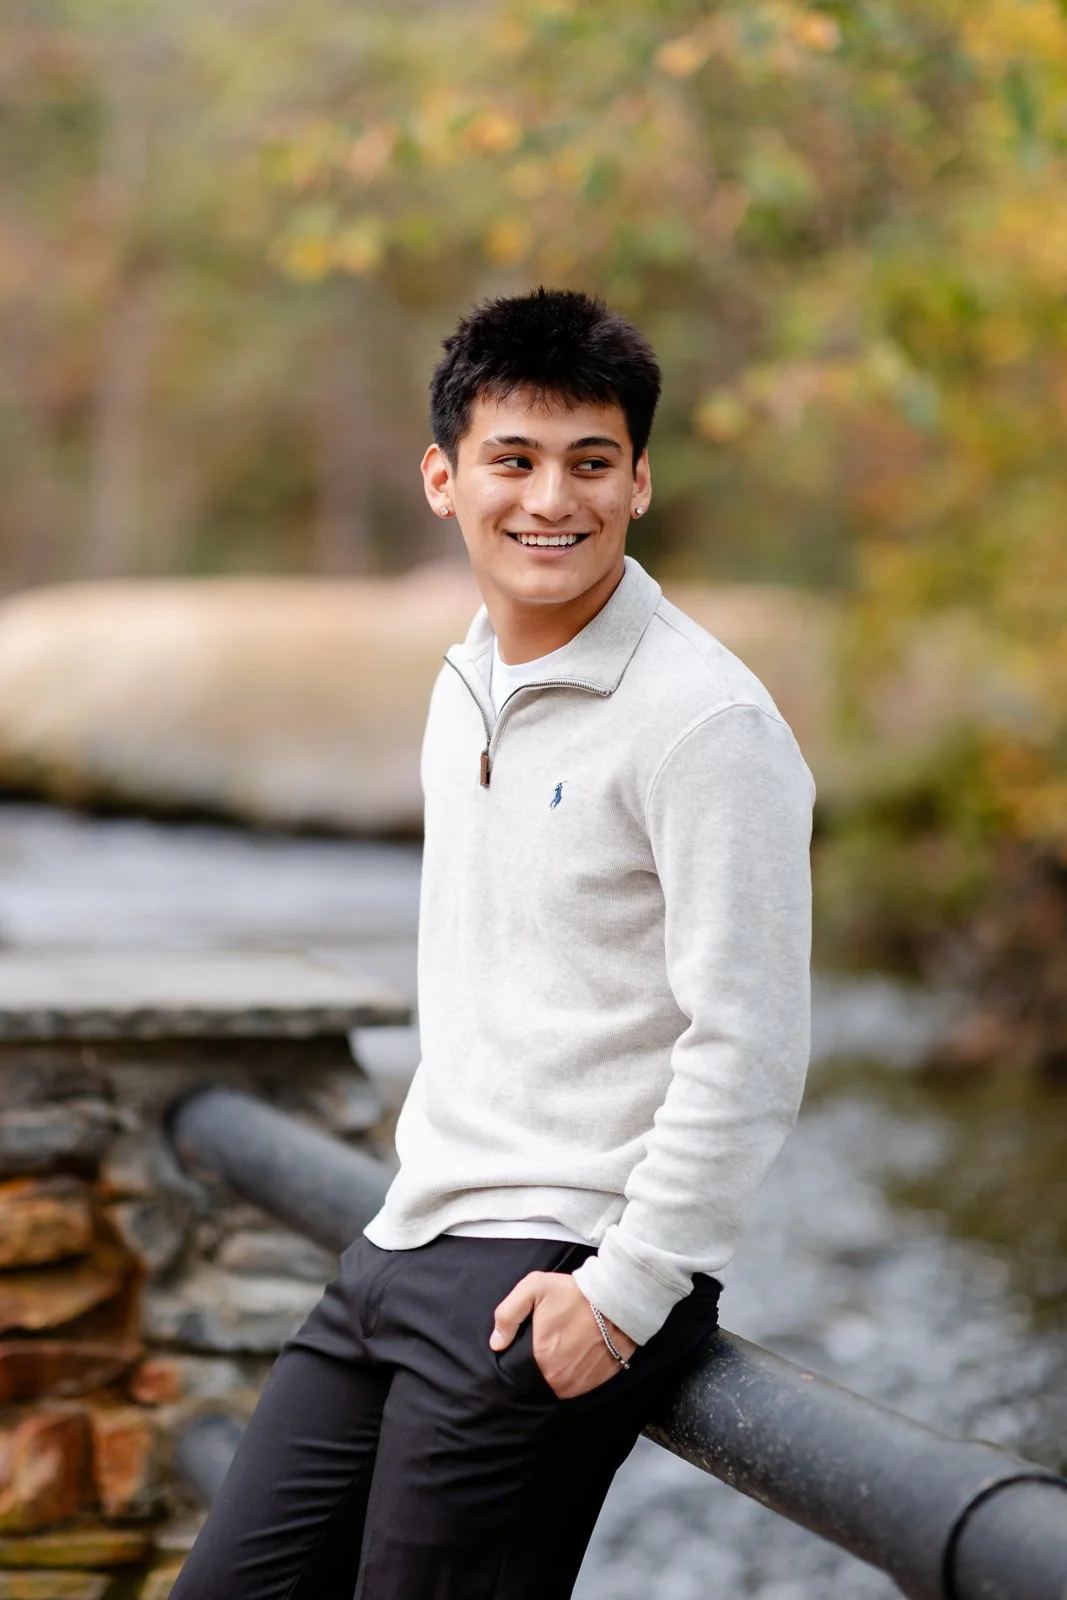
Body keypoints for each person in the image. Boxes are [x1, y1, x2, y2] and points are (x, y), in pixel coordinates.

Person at [170, 287, 815, 1599]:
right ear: (440, 479)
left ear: (639, 482)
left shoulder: (705, 726)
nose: (549, 500)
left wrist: (626, 1290)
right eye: (511, 461)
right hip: (403, 1242)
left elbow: (749, 1038)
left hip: (558, 1274)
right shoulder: (469, 673)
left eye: (590, 463)